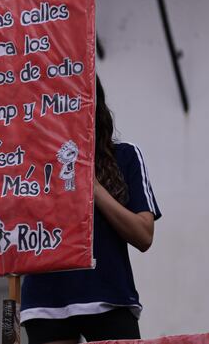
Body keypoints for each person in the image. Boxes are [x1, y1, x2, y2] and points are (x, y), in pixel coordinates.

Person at [21, 77, 161, 343]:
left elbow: (144, 235)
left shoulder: (125, 156)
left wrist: (94, 187)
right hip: (45, 299)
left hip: (108, 296)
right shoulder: (30, 163)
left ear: (91, 104)